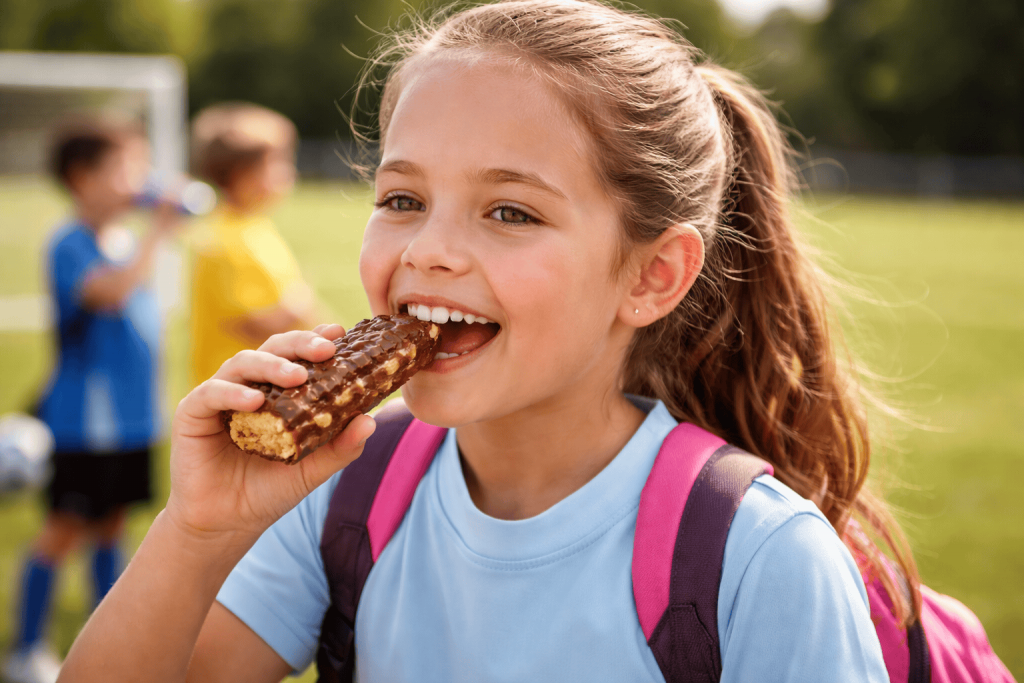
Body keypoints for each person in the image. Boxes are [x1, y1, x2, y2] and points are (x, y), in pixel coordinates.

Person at [58, 1, 929, 680]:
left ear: (652, 275)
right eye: (401, 199)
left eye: (510, 210)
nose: (427, 248)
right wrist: (198, 531)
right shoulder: (340, 495)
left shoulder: (756, 555)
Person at [2, 115, 181, 683]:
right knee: (63, 529)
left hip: (133, 421)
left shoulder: (124, 239)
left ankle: (109, 641)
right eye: (125, 167)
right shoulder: (71, 243)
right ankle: (27, 647)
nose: (139, 178)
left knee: (113, 528)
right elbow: (106, 294)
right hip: (85, 422)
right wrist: (159, 231)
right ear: (82, 178)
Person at [187, 102, 319, 389]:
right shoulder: (226, 241)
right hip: (240, 390)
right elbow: (254, 323)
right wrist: (299, 308)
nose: (289, 172)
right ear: (242, 174)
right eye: (278, 163)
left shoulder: (254, 228)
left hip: (261, 385)